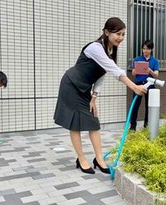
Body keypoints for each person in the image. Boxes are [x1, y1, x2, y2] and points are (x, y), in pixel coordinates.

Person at [54, 17, 147, 174]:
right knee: (75, 122)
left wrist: (94, 98)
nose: (121, 38)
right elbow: (114, 70)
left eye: (123, 34)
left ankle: (99, 159)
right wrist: (133, 86)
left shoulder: (108, 52)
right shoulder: (95, 48)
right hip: (70, 85)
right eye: (118, 34)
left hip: (84, 90)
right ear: (106, 32)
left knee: (93, 122)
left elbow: (101, 76)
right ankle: (81, 158)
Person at [130, 40, 160, 131]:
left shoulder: (155, 61)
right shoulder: (137, 59)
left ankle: (146, 126)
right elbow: (133, 73)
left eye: (147, 49)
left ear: (151, 49)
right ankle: (133, 126)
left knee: (148, 106)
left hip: (149, 85)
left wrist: (150, 70)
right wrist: (138, 69)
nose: (145, 51)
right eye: (144, 48)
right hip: (138, 84)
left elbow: (156, 75)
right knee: (135, 106)